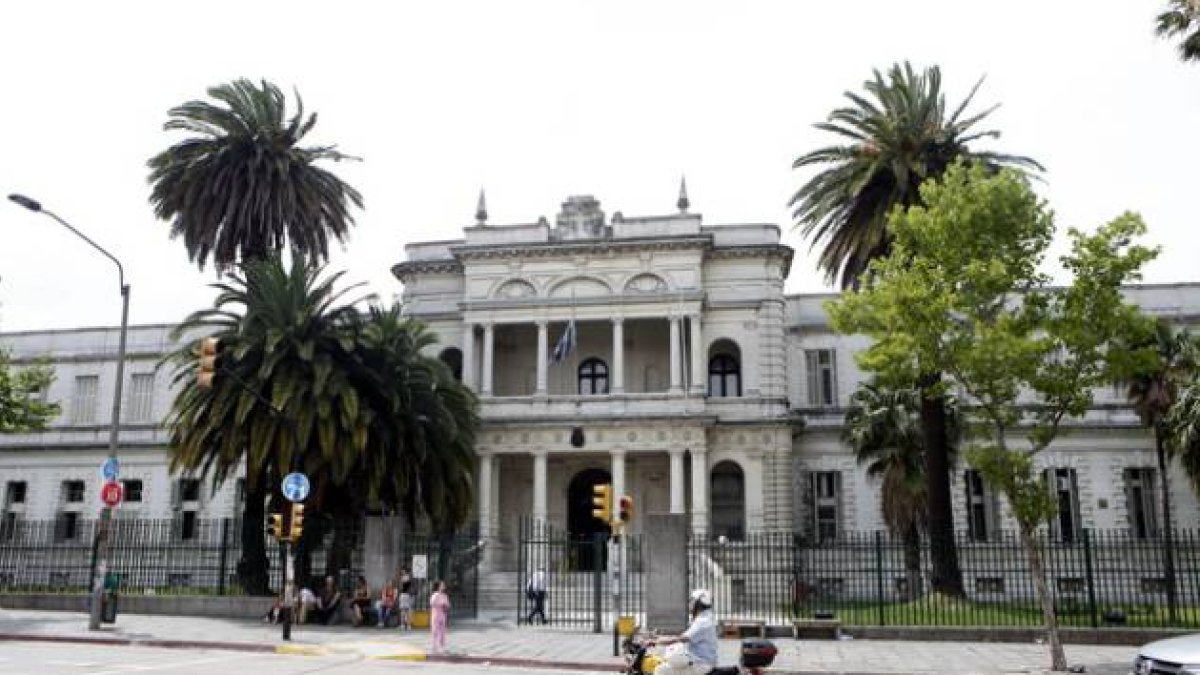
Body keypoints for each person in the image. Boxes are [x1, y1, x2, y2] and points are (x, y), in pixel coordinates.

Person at [647, 589, 718, 675]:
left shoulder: (703, 621)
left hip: (700, 664)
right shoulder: (705, 618)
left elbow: (682, 638)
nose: (690, 604)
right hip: (699, 661)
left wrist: (657, 642)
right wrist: (658, 637)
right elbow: (682, 636)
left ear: (698, 603)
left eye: (692, 600)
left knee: (660, 669)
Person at [429, 579, 450, 655]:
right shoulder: (435, 595)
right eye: (442, 585)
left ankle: (442, 647)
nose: (443, 586)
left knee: (442, 631)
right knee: (435, 631)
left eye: (443, 585)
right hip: (435, 615)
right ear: (438, 586)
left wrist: (445, 606)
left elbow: (447, 605)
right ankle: (434, 646)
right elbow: (432, 603)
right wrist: (441, 603)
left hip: (443, 615)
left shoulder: (445, 595)